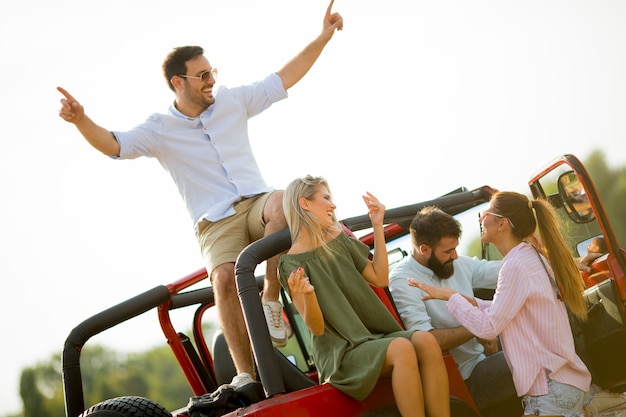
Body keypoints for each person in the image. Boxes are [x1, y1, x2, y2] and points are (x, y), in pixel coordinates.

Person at [57, 1, 344, 388]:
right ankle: (245, 376)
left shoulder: (232, 99)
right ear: (178, 82)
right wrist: (80, 120)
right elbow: (113, 144)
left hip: (257, 204)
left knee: (284, 199)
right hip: (214, 221)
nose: (211, 80)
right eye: (202, 75)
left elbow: (284, 78)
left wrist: (323, 37)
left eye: (212, 72)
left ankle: (272, 298)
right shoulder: (159, 129)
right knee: (224, 279)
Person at [278, 175, 450, 417]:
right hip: (341, 354)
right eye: (326, 198)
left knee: (427, 341)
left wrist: (377, 225)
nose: (333, 205)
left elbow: (379, 277)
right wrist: (308, 295)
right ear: (304, 204)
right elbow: (316, 328)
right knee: (401, 347)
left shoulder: (340, 241)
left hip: (373, 339)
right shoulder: (289, 265)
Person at [413, 191, 592, 417]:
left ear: (502, 224)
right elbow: (504, 310)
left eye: (486, 213)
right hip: (560, 384)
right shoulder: (529, 256)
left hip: (549, 390)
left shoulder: (514, 265)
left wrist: (453, 298)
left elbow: (489, 328)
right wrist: (456, 296)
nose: (481, 219)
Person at [388, 206, 520, 415]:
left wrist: (558, 263)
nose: (456, 256)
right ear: (424, 250)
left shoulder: (455, 263)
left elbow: (506, 270)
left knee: (546, 335)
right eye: (448, 251)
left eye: (455, 248)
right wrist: (478, 326)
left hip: (487, 354)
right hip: (466, 377)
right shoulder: (403, 280)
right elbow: (427, 341)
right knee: (534, 357)